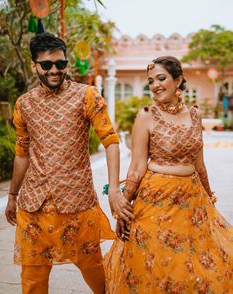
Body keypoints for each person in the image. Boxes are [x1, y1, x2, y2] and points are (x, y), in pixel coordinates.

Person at [5, 32, 134, 294]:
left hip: (76, 201)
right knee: (32, 276)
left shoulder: (86, 96)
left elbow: (110, 140)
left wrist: (114, 189)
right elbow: (22, 151)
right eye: (47, 65)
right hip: (33, 203)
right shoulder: (24, 104)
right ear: (34, 66)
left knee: (92, 268)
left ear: (66, 63)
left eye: (60, 64)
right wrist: (12, 194)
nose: (55, 70)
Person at [104, 56, 233, 293]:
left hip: (193, 204)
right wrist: (123, 209)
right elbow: (137, 166)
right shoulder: (146, 116)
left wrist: (209, 198)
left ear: (178, 80)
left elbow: (200, 164)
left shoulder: (195, 115)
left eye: (161, 78)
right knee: (158, 264)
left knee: (194, 265)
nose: (155, 85)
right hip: (156, 202)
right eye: (151, 81)